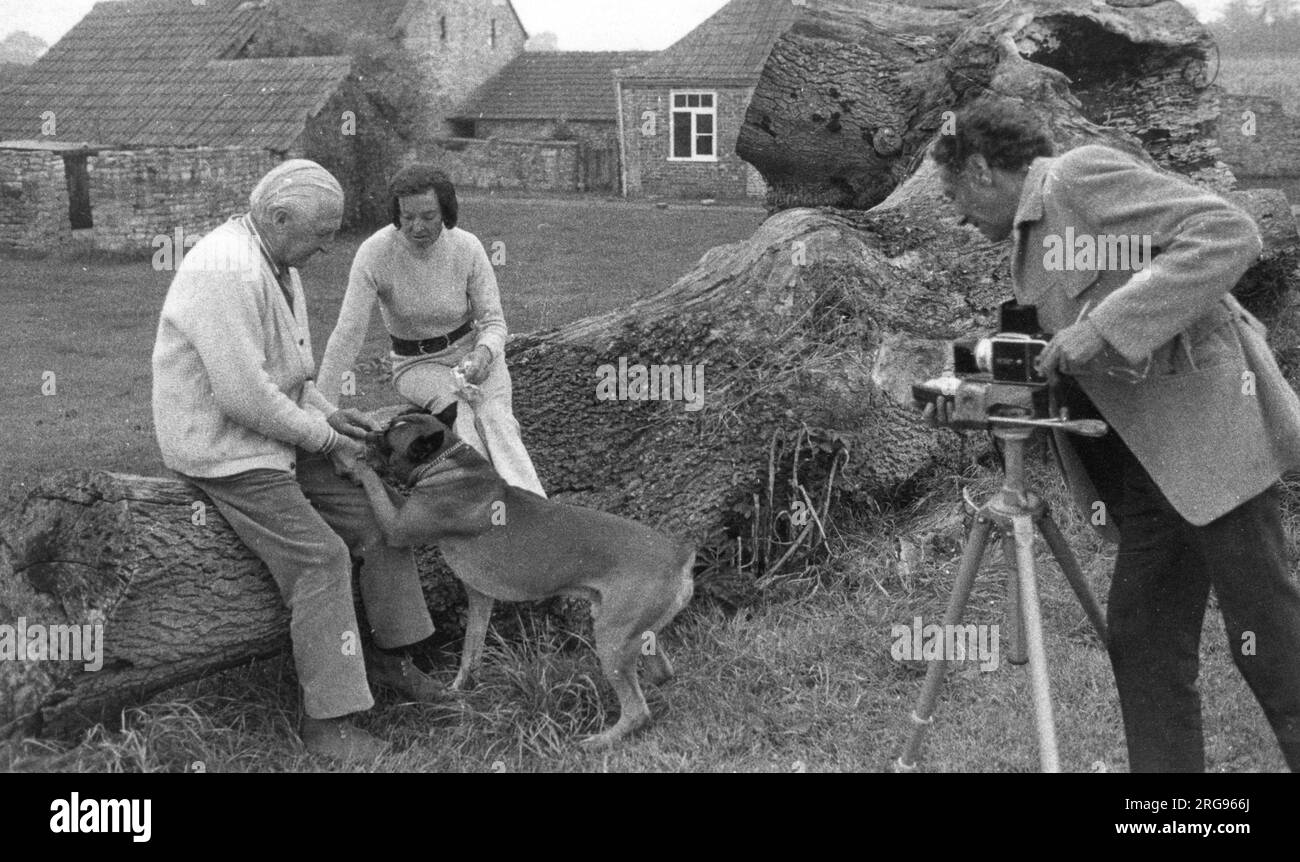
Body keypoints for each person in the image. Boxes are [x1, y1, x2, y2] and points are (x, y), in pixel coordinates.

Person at [925, 96, 1300, 772]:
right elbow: (1067, 344)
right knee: (1144, 640)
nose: (957, 213)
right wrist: (984, 382)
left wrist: (1102, 327)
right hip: (1149, 480)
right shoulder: (1028, 237)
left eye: (956, 193)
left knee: (1272, 645)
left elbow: (1227, 232)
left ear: (981, 168)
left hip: (1215, 445)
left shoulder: (1078, 179)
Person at [151, 160, 441, 763]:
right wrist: (328, 442)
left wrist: (332, 414)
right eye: (320, 232)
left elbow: (289, 378)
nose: (329, 245)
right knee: (320, 557)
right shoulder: (222, 271)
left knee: (380, 518)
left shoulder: (278, 257)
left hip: (274, 432)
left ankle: (392, 658)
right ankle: (329, 724)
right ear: (278, 218)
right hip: (225, 449)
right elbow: (243, 396)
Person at [318, 165, 545, 496]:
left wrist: (483, 354)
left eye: (428, 216)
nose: (416, 226)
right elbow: (348, 332)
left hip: (472, 352)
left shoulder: (467, 247)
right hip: (417, 364)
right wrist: (324, 407)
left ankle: (533, 507)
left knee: (498, 421)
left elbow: (494, 321)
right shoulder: (374, 252)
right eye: (407, 217)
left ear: (446, 213)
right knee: (463, 418)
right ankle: (485, 508)